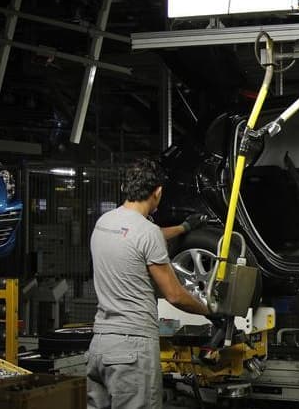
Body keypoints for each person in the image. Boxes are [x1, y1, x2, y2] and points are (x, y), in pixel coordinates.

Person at [86, 159, 210, 409]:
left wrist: (184, 227)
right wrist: (207, 310)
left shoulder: (104, 223)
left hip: (99, 345)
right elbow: (174, 295)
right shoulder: (147, 233)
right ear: (158, 192)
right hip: (132, 348)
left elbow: (136, 238)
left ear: (126, 188)